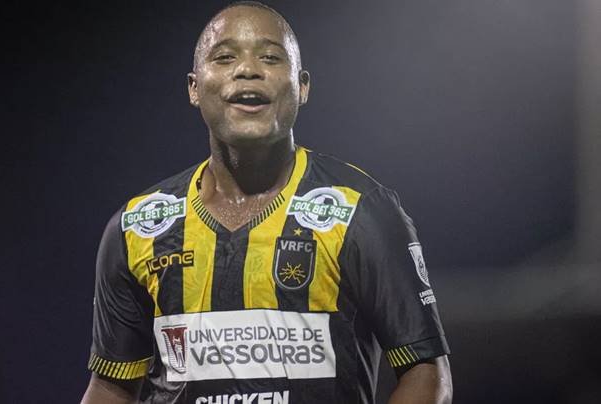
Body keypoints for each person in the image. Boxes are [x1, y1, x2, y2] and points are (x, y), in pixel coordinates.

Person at [81, 2, 452, 403]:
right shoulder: (138, 227)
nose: (247, 69)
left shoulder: (360, 211)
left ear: (302, 86)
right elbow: (110, 388)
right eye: (225, 57)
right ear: (194, 87)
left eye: (271, 58)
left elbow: (426, 375)